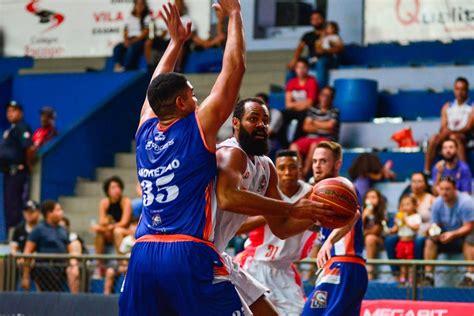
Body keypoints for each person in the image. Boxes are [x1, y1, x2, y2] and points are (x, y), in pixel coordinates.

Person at [119, 1, 247, 314]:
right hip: (187, 250)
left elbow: (154, 89)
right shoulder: (197, 128)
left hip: (144, 252)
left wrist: (175, 44)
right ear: (180, 102)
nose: (196, 97)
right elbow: (234, 70)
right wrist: (234, 16)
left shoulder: (145, 129)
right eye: (191, 93)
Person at [213, 98, 335, 315]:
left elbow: (281, 228)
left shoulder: (266, 166)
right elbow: (227, 198)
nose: (261, 124)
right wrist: (291, 208)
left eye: (265, 120)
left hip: (220, 254)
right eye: (253, 119)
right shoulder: (230, 152)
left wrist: (317, 214)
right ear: (235, 123)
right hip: (197, 252)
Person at [234, 150, 317, 315]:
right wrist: (272, 213)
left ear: (300, 169)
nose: (287, 172)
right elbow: (237, 229)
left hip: (284, 268)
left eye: (292, 167)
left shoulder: (311, 194)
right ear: (275, 171)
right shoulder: (263, 192)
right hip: (255, 264)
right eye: (282, 168)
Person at [302, 141, 367, 316]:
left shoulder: (342, 186)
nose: (317, 166)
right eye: (315, 161)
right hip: (348, 268)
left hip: (343, 264)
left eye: (323, 161)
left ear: (337, 164)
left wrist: (329, 242)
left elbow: (354, 216)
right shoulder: (323, 192)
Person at [422, 176, 474, 287]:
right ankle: (428, 276)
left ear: (455, 189)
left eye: (447, 189)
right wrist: (434, 232)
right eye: (442, 189)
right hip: (447, 235)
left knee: (471, 238)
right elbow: (435, 224)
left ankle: (470, 276)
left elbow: (469, 226)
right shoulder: (437, 203)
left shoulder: (466, 202)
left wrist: (453, 234)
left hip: (463, 235)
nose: (444, 192)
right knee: (429, 241)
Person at [21, 200, 79, 293]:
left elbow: (71, 250)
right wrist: (26, 277)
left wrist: (74, 265)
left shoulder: (63, 230)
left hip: (62, 266)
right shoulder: (38, 230)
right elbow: (27, 253)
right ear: (49, 213)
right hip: (44, 267)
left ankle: (76, 300)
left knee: (75, 270)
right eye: (58, 210)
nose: (62, 212)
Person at [385, 172, 435, 271]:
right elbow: (399, 217)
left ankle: (418, 273)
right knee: (389, 241)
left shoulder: (432, 199)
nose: (416, 184)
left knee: (419, 241)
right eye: (414, 181)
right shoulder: (406, 199)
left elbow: (436, 220)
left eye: (419, 181)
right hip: (405, 232)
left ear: (425, 183)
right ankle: (397, 273)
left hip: (423, 232)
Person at [424, 77, 474, 173]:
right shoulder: (447, 106)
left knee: (455, 137)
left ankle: (464, 172)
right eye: (457, 89)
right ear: (454, 90)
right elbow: (443, 126)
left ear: (467, 90)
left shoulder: (472, 106)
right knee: (434, 138)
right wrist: (447, 132)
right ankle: (427, 171)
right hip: (448, 134)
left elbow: (468, 127)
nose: (460, 92)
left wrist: (451, 132)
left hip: (464, 136)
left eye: (462, 89)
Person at [290, 86, 339, 178]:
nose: (325, 98)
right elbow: (306, 127)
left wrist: (314, 122)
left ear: (332, 98)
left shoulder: (335, 111)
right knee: (294, 146)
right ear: (319, 96)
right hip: (310, 137)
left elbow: (330, 126)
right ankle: (299, 172)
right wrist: (323, 125)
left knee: (315, 145)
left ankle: (303, 174)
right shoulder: (312, 110)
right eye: (323, 95)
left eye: (328, 96)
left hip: (327, 139)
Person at [0, 101, 33, 229]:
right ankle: (11, 233)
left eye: (13, 111)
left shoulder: (22, 127)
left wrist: (28, 164)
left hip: (18, 172)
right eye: (8, 111)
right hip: (8, 172)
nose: (10, 113)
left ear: (20, 113)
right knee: (9, 205)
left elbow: (29, 148)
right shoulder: (10, 130)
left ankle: (18, 234)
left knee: (16, 205)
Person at [90, 176, 132, 258]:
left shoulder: (125, 201)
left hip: (125, 230)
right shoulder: (104, 202)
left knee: (117, 231)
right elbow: (102, 221)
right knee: (99, 232)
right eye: (113, 187)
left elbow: (124, 223)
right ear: (107, 190)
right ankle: (99, 263)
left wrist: (109, 226)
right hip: (110, 230)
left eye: (118, 187)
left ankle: (122, 261)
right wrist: (102, 226)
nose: (117, 190)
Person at [280, 58, 319, 147]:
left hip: (307, 111)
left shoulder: (312, 81)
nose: (301, 70)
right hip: (296, 110)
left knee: (303, 115)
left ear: (307, 69)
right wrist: (302, 104)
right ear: (295, 69)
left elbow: (310, 103)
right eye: (298, 67)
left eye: (303, 67)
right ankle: (284, 143)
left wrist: (294, 105)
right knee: (281, 115)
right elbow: (288, 104)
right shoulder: (291, 82)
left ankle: (295, 142)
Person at [389, 194, 421, 285]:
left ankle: (411, 278)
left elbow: (416, 228)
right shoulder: (400, 217)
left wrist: (406, 221)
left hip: (410, 242)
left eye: (408, 204)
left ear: (414, 206)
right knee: (402, 262)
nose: (405, 207)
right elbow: (396, 228)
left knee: (410, 262)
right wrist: (391, 230)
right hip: (401, 242)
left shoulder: (416, 216)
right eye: (403, 205)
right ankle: (403, 278)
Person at [112, 0, 151, 71]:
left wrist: (132, 41)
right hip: (130, 39)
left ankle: (127, 67)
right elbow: (125, 31)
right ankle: (117, 66)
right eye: (138, 4)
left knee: (131, 48)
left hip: (140, 40)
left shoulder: (147, 17)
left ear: (144, 6)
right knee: (117, 48)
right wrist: (126, 40)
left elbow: (145, 32)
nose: (139, 6)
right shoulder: (129, 18)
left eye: (141, 4)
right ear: (135, 6)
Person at [104, 217, 138, 295]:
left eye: (136, 225)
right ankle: (106, 295)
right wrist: (124, 264)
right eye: (132, 225)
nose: (134, 227)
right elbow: (121, 255)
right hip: (124, 265)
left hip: (135, 266)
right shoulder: (126, 240)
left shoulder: (142, 241)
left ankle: (130, 295)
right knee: (109, 272)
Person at [287, 10, 325, 74]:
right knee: (295, 65)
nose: (316, 21)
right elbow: (299, 49)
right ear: (311, 21)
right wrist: (294, 60)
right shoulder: (307, 35)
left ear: (323, 20)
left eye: (318, 18)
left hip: (326, 59)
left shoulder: (329, 33)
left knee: (320, 63)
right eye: (313, 19)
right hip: (312, 59)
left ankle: (321, 84)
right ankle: (290, 84)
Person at [362, 188, 387, 280]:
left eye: (373, 197)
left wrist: (365, 232)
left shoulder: (382, 213)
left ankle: (370, 271)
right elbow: (356, 229)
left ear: (379, 200)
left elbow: (376, 231)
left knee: (370, 238)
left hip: (379, 240)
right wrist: (363, 217)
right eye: (368, 197)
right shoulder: (362, 212)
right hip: (362, 239)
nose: (370, 200)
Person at [313, 21, 344, 88]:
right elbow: (317, 49)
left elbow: (340, 48)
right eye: (327, 28)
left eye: (331, 28)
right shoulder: (323, 38)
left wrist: (329, 48)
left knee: (321, 62)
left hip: (331, 58)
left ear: (335, 29)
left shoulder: (336, 37)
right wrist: (321, 37)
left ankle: (321, 89)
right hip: (320, 57)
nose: (328, 29)